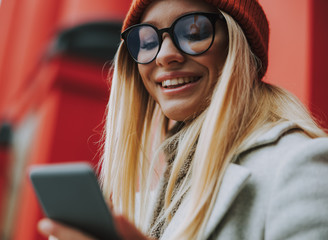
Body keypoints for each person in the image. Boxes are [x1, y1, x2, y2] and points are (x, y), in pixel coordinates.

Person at [37, 0, 328, 239]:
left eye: (194, 32)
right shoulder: (142, 209)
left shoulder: (300, 165)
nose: (164, 56)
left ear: (239, 46)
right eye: (147, 40)